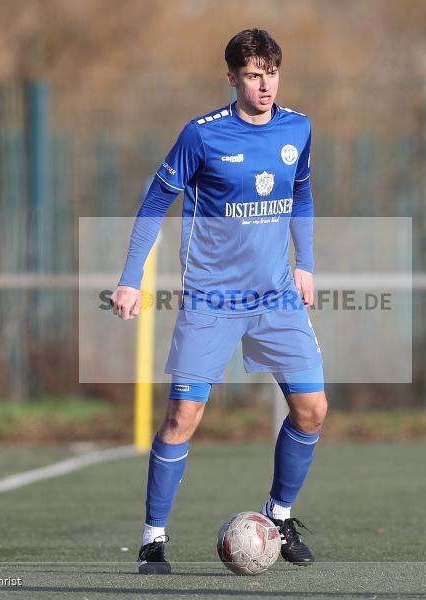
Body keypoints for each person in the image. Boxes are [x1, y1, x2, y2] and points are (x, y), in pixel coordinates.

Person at [110, 28, 327, 575]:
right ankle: (152, 540)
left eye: (272, 73)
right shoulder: (201, 136)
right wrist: (131, 277)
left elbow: (301, 192)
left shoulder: (297, 127)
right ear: (232, 77)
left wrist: (305, 265)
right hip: (212, 297)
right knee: (183, 414)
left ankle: (277, 518)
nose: (265, 85)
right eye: (253, 74)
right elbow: (155, 201)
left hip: (277, 295)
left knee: (312, 409)